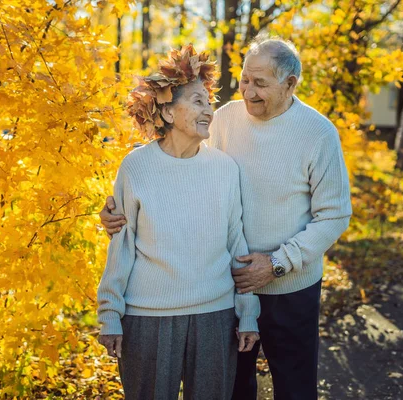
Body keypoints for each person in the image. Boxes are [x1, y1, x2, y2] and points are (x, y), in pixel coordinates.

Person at [100, 37, 352, 399]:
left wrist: (278, 263)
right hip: (229, 285)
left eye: (260, 84)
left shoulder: (318, 134)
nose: (248, 92)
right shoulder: (225, 118)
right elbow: (183, 164)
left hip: (290, 287)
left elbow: (335, 215)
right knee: (234, 389)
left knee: (295, 389)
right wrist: (119, 209)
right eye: (245, 80)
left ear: (290, 84)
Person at [96, 45, 260, 400]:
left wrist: (247, 312)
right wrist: (110, 312)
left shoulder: (224, 168)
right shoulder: (136, 167)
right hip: (147, 318)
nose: (209, 110)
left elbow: (237, 244)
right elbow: (121, 245)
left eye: (209, 102)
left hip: (215, 316)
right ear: (168, 112)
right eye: (198, 101)